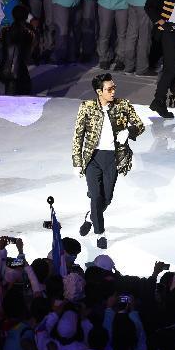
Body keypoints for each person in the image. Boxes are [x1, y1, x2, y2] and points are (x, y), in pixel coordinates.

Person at [73, 74, 145, 250]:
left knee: (106, 198)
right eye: (109, 89)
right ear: (100, 91)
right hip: (92, 158)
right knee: (95, 196)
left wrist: (129, 131)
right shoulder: (87, 107)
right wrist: (77, 162)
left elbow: (140, 125)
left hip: (113, 158)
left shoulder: (122, 105)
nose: (113, 91)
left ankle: (91, 217)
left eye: (114, 88)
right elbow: (78, 135)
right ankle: (100, 233)